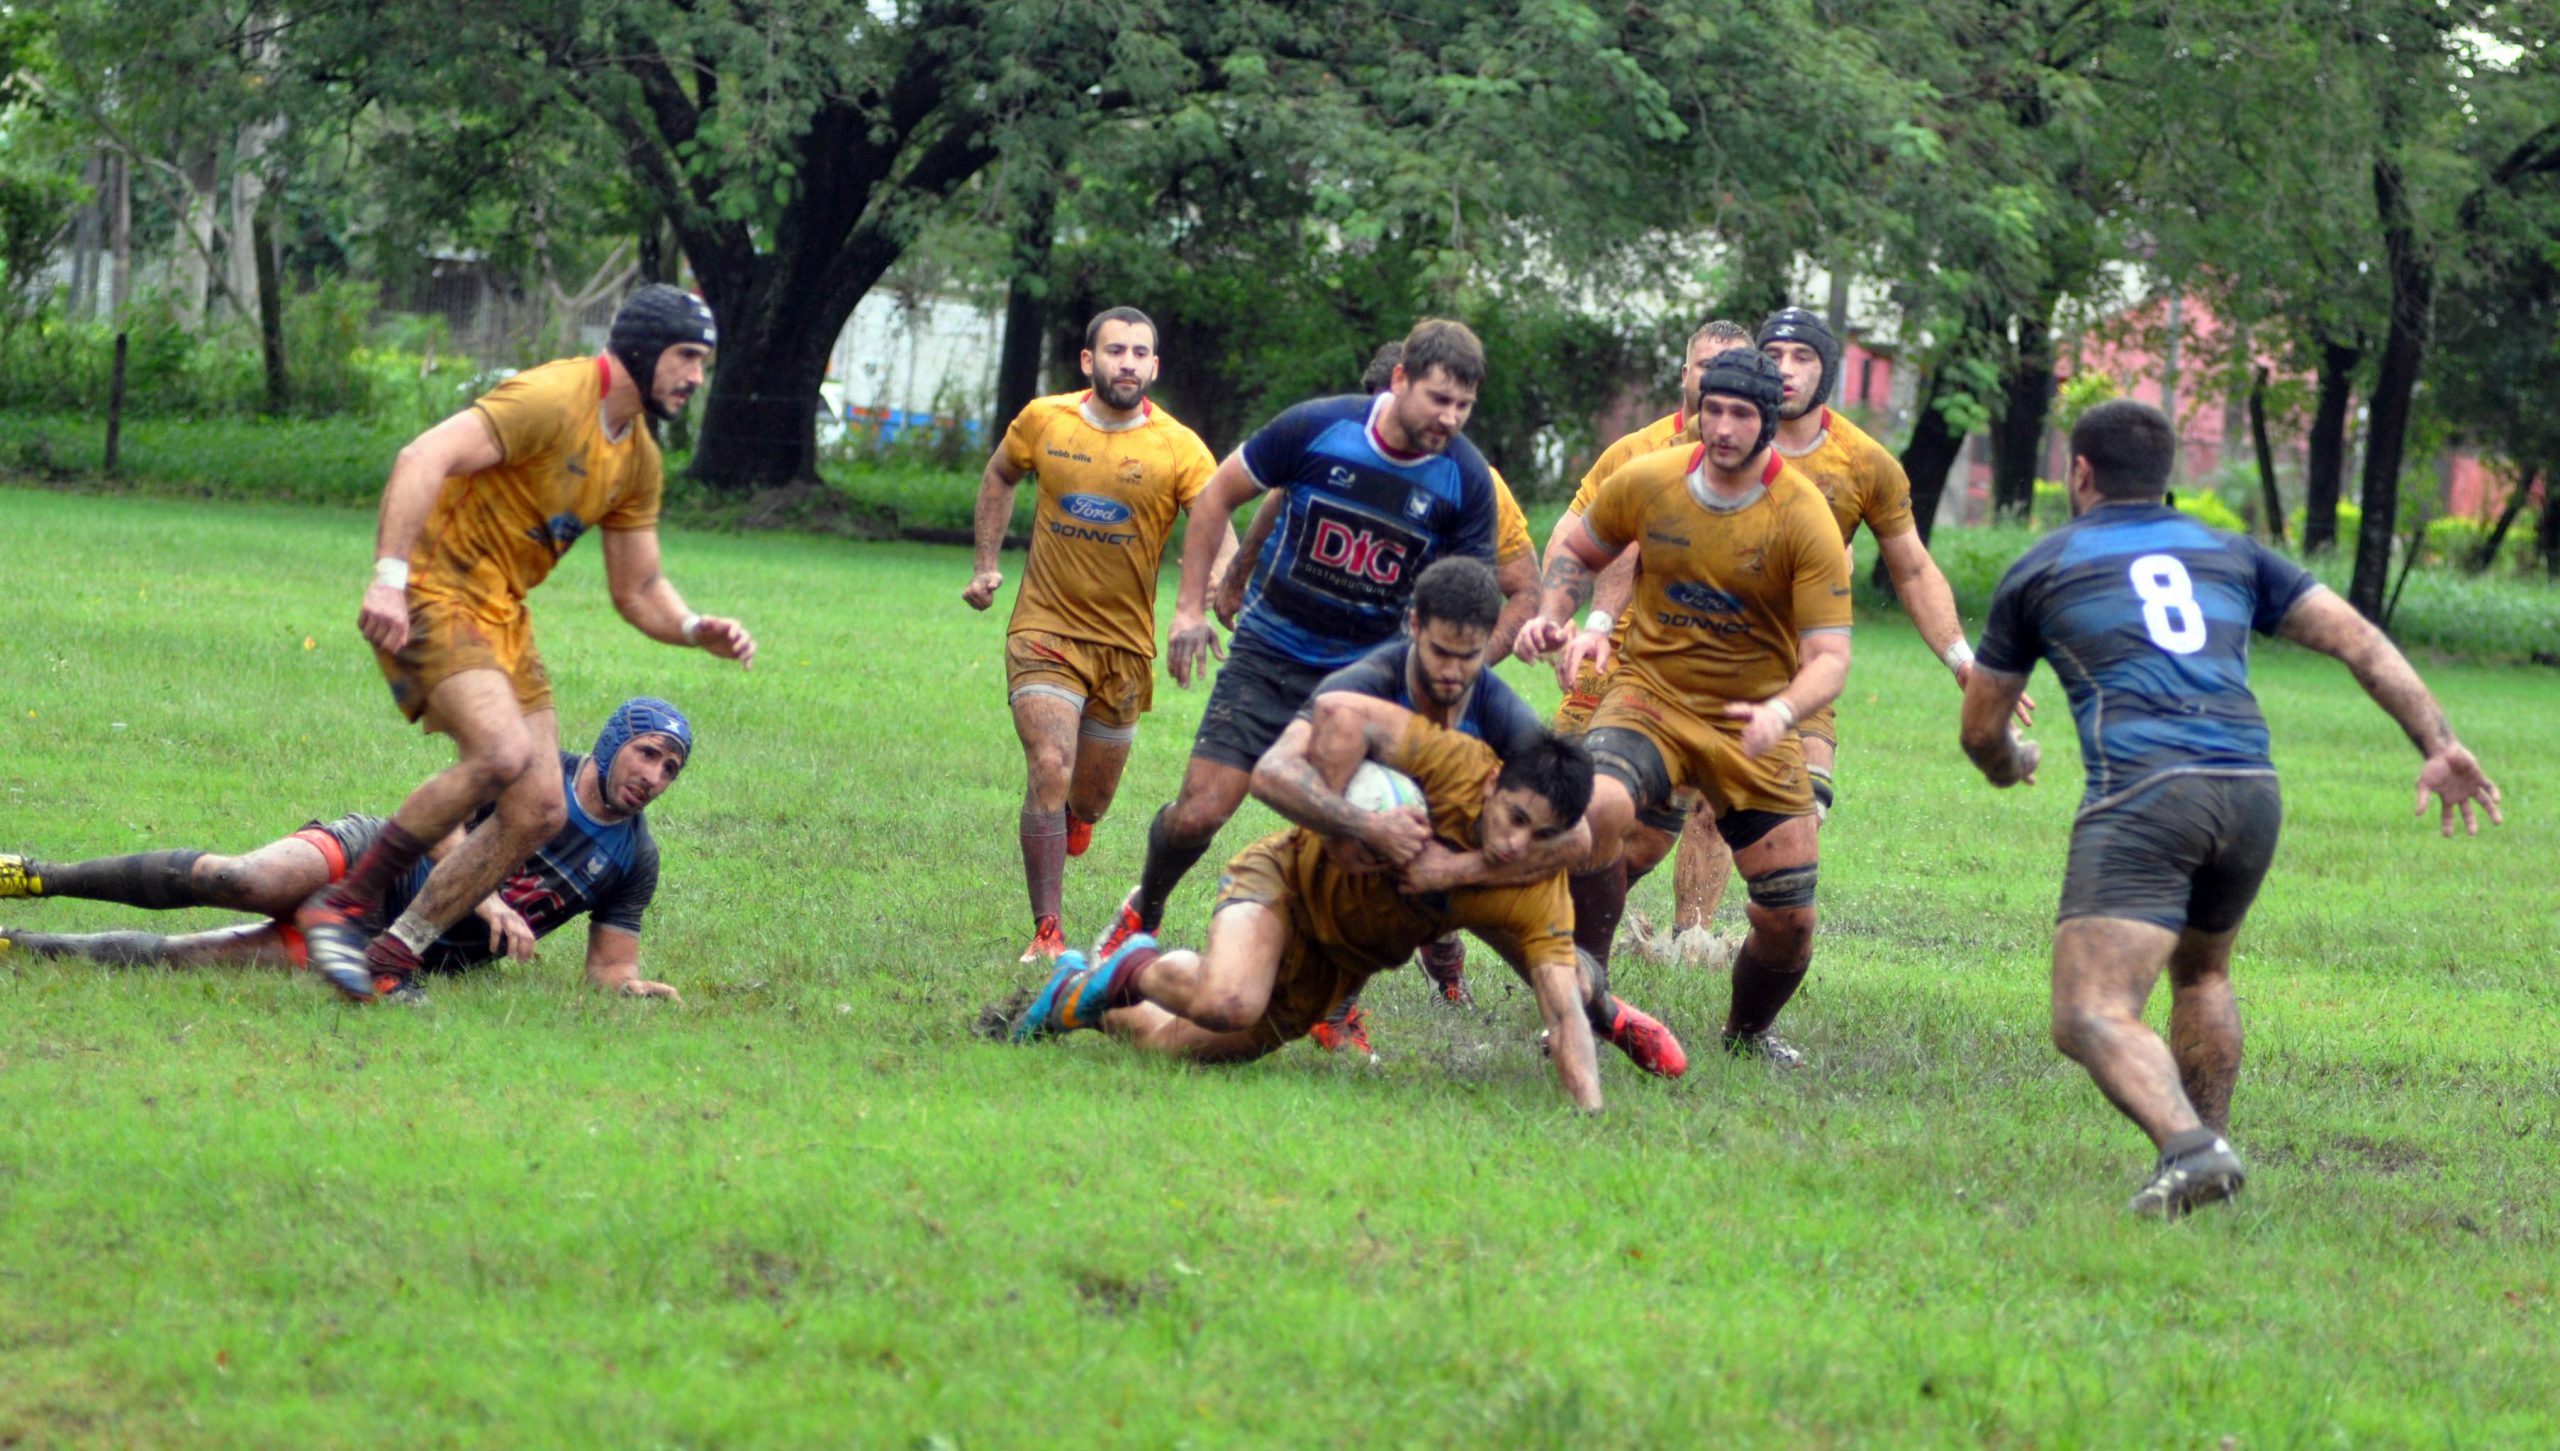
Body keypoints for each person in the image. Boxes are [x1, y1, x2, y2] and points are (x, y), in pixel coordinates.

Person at [1958, 399, 2502, 1218]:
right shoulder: (2233, 551)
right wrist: (2439, 741)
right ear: (2166, 474)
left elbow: (1980, 729)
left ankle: (2192, 1146)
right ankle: (2203, 1159)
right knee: (2203, 970)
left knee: (2088, 1012)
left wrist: (2012, 764)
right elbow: (2361, 640)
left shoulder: (2043, 566)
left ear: (2080, 474)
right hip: (2250, 790)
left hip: (2147, 793)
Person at [295, 285, 756, 1004]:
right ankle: (347, 902)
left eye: (703, 361)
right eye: (687, 356)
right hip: (436, 586)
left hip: (503, 613)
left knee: (539, 806)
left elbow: (638, 589)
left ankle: (394, 953)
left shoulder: (636, 457)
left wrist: (697, 627)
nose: (696, 376)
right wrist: (388, 578)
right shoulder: (552, 396)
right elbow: (422, 455)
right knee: (503, 754)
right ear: (642, 348)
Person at [986, 693, 1625, 1110]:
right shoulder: (1446, 765)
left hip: (1332, 969)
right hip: (1283, 884)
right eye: (1513, 816)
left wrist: (1591, 1114)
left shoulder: (1532, 890)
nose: (1516, 844)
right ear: (1493, 782)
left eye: (1540, 835)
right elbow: (1342, 710)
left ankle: (1085, 995)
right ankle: (1129, 965)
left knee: (1165, 1047)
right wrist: (1359, 819)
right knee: (1229, 999)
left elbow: (1565, 1013)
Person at [1092, 318, 1504, 962]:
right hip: (1268, 654)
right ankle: (1142, 911)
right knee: (1198, 814)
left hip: (1365, 679)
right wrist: (1187, 611)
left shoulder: (1466, 479)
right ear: (1399, 380)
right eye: (1438, 399)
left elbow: (1469, 595)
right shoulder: (1320, 428)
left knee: (1357, 837)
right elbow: (1216, 497)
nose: (1451, 418)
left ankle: (1337, 1002)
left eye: (1464, 406)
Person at [1517, 349, 1851, 1067]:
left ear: (1768, 424)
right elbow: (1579, 550)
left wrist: (1784, 714)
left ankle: (1748, 1032)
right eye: (1714, 410)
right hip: (1650, 695)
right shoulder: (1650, 480)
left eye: (1742, 414)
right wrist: (1558, 618)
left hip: (1751, 717)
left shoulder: (1804, 516)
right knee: (1594, 809)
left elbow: (1830, 659)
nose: (1723, 428)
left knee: (1790, 918)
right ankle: (1582, 996)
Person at [0, 699, 702, 1000]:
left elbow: (610, 968)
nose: (654, 777)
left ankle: (17, 945)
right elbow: (438, 822)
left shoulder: (634, 858)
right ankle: (34, 875)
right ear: (614, 742)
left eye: (670, 768)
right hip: (375, 859)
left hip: (394, 944)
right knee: (238, 878)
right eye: (647, 754)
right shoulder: (532, 774)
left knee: (199, 958)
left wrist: (631, 991)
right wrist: (484, 893)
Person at [962, 306, 1223, 963]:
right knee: (1049, 765)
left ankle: (1075, 820)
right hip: (1044, 627)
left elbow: (1214, 518)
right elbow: (999, 474)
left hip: (1124, 651)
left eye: (1140, 353)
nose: (1127, 362)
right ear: (1089, 361)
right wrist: (986, 565)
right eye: (1115, 351)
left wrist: (1213, 592)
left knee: (1091, 797)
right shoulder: (1044, 419)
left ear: (1154, 367)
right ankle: (1047, 932)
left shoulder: (1178, 446)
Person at [1527, 319, 1750, 964]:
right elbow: (1572, 535)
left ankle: (1690, 936)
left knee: (1695, 816)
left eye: (1733, 368)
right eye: (1706, 366)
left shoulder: (1768, 468)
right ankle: (1543, 908)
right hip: (1614, 655)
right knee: (1572, 801)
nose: (1716, 379)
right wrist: (1560, 615)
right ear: (1686, 375)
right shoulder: (1636, 452)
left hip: (1711, 666)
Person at [1214, 342, 1539, 656]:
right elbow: (1278, 500)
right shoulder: (1338, 442)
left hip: (1389, 660)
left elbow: (1524, 589)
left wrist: (1461, 667)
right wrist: (1235, 577)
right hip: (1293, 638)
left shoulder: (1474, 484)